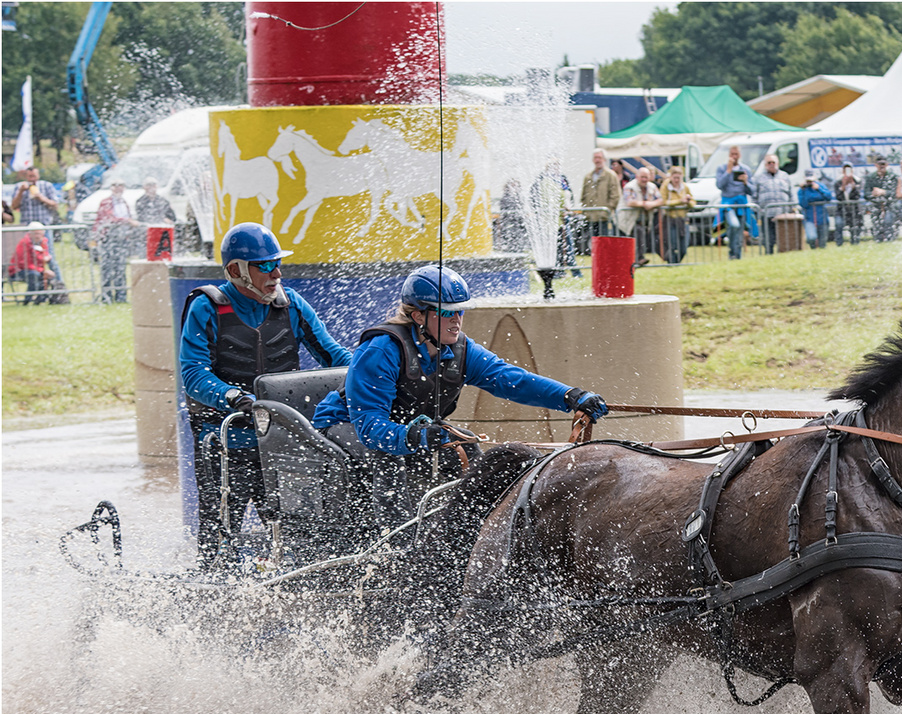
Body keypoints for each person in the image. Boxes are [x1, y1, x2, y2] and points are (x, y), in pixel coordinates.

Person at [310, 265, 608, 528]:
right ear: (418, 316)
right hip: (341, 428)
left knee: (464, 443)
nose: (456, 320)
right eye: (446, 313)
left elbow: (510, 379)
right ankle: (395, 545)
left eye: (460, 311)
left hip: (408, 429)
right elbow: (370, 428)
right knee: (388, 456)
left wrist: (569, 396)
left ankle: (470, 528)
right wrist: (416, 437)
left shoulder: (461, 350)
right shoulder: (380, 350)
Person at [179, 223, 352, 560]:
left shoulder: (292, 305)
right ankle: (213, 582)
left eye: (277, 263)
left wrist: (372, 372)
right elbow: (193, 373)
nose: (276, 273)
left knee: (293, 534)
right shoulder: (208, 307)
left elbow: (335, 356)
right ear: (235, 270)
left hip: (282, 443)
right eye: (264, 266)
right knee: (219, 535)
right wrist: (233, 397)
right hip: (227, 442)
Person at [92, 181, 142, 303]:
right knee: (107, 268)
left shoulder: (123, 202)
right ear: (112, 188)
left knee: (120, 267)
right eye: (116, 186)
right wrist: (127, 221)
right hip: (108, 239)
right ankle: (106, 296)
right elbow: (109, 218)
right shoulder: (106, 202)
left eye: (121, 186)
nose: (119, 189)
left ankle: (121, 296)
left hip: (122, 238)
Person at [716, 145, 754, 260]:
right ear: (728, 155)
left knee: (739, 231)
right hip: (728, 204)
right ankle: (732, 252)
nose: (734, 157)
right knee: (734, 225)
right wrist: (728, 171)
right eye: (732, 154)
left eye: (736, 154)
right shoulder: (722, 168)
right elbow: (719, 185)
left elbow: (752, 191)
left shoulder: (745, 169)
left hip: (742, 205)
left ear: (740, 155)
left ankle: (736, 256)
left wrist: (746, 182)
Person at [753, 153, 794, 254]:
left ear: (778, 163)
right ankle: (769, 256)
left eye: (773, 162)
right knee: (768, 239)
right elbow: (754, 196)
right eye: (769, 162)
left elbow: (791, 193)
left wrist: (793, 208)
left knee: (784, 239)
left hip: (783, 214)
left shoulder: (785, 176)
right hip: (766, 214)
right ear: (765, 164)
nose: (771, 164)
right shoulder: (758, 178)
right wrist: (758, 210)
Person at [7, 222, 57, 304]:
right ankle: (27, 300)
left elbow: (44, 256)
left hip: (34, 269)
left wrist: (48, 259)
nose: (38, 236)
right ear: (30, 234)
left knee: (48, 277)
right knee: (34, 275)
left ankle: (40, 299)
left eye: (40, 234)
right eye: (36, 233)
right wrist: (41, 271)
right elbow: (24, 263)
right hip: (18, 270)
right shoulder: (24, 243)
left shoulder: (43, 243)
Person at [623, 166, 662, 266]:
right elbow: (630, 202)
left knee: (640, 237)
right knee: (637, 236)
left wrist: (652, 204)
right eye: (642, 177)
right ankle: (638, 259)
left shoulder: (652, 187)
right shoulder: (630, 186)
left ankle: (637, 259)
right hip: (629, 219)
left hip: (645, 219)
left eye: (646, 177)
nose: (644, 179)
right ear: (637, 176)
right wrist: (645, 204)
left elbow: (660, 200)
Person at [658, 165, 695, 264]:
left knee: (684, 247)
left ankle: (676, 263)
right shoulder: (666, 186)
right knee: (673, 245)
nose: (677, 180)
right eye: (675, 177)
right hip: (670, 219)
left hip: (683, 220)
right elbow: (663, 202)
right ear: (671, 177)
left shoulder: (685, 187)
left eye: (678, 178)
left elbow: (693, 202)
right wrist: (679, 201)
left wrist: (688, 202)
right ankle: (672, 264)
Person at [580, 149, 619, 240]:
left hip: (604, 218)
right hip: (590, 217)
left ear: (604, 159)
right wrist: (585, 210)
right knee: (592, 244)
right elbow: (584, 195)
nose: (597, 160)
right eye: (595, 158)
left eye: (599, 158)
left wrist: (607, 210)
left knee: (605, 242)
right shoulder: (588, 176)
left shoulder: (611, 176)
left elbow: (615, 196)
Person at [862, 156, 898, 241]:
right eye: (879, 164)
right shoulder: (870, 177)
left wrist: (883, 192)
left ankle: (890, 240)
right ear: (875, 165)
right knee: (876, 224)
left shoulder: (892, 177)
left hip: (889, 204)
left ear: (887, 164)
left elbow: (895, 192)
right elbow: (866, 193)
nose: (881, 166)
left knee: (888, 222)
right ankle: (878, 240)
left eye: (883, 164)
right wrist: (874, 194)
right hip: (876, 204)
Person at [797, 170, 832, 248]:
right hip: (809, 218)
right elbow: (803, 204)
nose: (810, 182)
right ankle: (813, 251)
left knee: (823, 242)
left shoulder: (821, 186)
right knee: (811, 238)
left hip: (822, 218)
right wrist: (803, 191)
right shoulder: (802, 190)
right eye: (808, 180)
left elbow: (828, 197)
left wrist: (819, 189)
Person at [834, 164, 863, 245]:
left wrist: (853, 187)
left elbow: (858, 196)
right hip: (841, 209)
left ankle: (855, 243)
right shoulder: (838, 182)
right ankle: (839, 244)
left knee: (855, 227)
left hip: (854, 209)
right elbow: (838, 197)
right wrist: (843, 186)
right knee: (839, 225)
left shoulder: (857, 181)